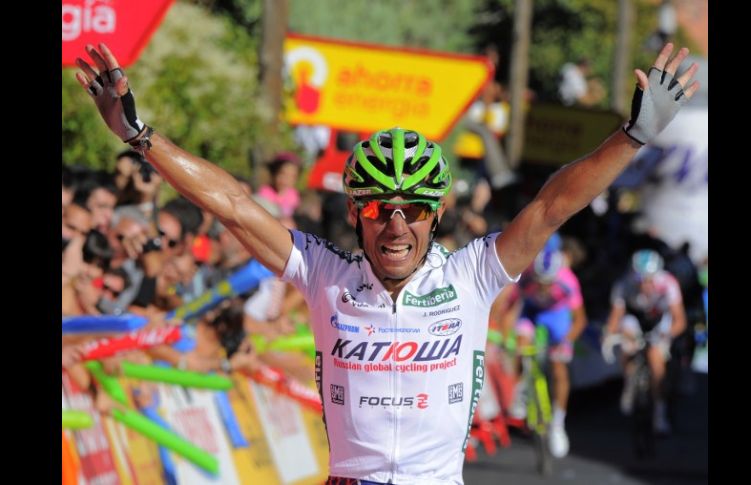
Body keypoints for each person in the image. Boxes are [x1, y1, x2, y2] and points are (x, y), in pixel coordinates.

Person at [75, 42, 698, 484]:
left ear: (436, 215)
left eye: (413, 210)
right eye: (378, 211)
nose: (396, 225)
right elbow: (234, 205)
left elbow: (551, 206)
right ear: (355, 214)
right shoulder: (324, 274)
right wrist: (139, 136)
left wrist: (633, 137)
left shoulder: (472, 275)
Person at [496, 240, 587, 458]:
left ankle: (558, 423)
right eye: (539, 282)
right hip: (533, 312)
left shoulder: (568, 282)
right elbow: (508, 310)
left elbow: (579, 320)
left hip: (557, 315)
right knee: (520, 343)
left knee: (558, 366)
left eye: (548, 283)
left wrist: (565, 342)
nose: (543, 287)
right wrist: (506, 339)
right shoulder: (526, 278)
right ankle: (521, 389)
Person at [604, 249, 686, 434]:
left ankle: (660, 412)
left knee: (655, 357)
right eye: (642, 279)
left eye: (651, 279)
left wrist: (667, 335)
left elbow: (679, 319)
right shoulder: (623, 284)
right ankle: (628, 379)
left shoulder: (669, 283)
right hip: (635, 318)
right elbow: (615, 317)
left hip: (660, 320)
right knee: (627, 339)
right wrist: (609, 335)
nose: (646, 284)